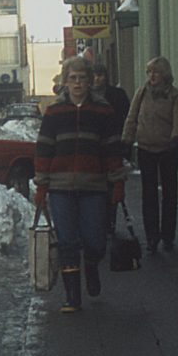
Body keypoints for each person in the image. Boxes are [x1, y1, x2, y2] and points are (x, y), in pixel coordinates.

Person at [34, 56, 126, 313]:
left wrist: (117, 181)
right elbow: (44, 148)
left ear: (89, 82)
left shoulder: (102, 111)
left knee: (95, 240)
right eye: (72, 78)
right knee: (67, 241)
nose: (77, 83)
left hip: (94, 186)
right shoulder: (54, 112)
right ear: (65, 82)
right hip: (60, 186)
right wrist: (41, 185)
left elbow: (112, 147)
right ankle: (72, 296)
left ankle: (92, 264)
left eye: (82, 78)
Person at [122, 56, 178, 254]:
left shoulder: (176, 96)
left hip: (168, 149)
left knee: (169, 193)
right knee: (148, 194)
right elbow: (132, 117)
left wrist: (176, 139)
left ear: (164, 74)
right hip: (145, 148)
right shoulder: (142, 93)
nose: (152, 76)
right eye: (149, 72)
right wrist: (126, 140)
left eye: (156, 72)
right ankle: (152, 236)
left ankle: (168, 234)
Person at [92, 63, 131, 234]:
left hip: (112, 145)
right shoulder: (85, 96)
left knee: (111, 186)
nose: (97, 79)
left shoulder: (117, 95)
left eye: (100, 75)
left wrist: (124, 143)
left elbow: (126, 117)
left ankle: (109, 222)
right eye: (94, 75)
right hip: (92, 149)